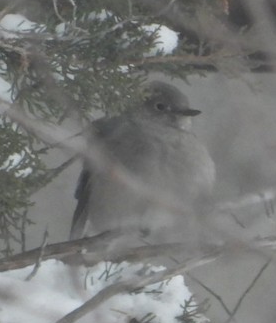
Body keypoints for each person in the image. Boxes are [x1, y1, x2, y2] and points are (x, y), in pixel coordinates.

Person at [70, 81, 215, 242]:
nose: (177, 116)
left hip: (155, 238)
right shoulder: (119, 134)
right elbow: (87, 187)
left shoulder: (193, 146)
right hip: (108, 230)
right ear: (139, 107)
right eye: (161, 107)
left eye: (183, 111)